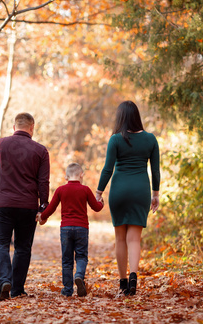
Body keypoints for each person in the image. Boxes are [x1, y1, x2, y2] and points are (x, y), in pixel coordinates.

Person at [0, 112, 50, 301]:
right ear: (32, 128)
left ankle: (4, 280)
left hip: (1, 204)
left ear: (14, 127)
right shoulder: (41, 151)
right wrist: (43, 207)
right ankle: (17, 288)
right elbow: (43, 182)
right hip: (28, 206)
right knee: (23, 247)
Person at [95, 101, 160, 296]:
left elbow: (108, 168)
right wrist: (155, 194)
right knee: (134, 239)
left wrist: (99, 192)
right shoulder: (150, 139)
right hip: (141, 190)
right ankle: (133, 276)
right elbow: (155, 171)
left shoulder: (115, 139)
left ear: (121, 118)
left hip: (119, 190)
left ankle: (123, 282)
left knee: (120, 238)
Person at [37, 163, 104, 297]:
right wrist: (101, 202)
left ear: (66, 176)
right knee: (81, 256)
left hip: (66, 229)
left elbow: (51, 208)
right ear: (81, 175)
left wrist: (41, 216)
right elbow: (96, 207)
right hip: (82, 228)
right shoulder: (85, 189)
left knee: (67, 260)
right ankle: (79, 276)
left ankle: (68, 289)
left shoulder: (61, 190)